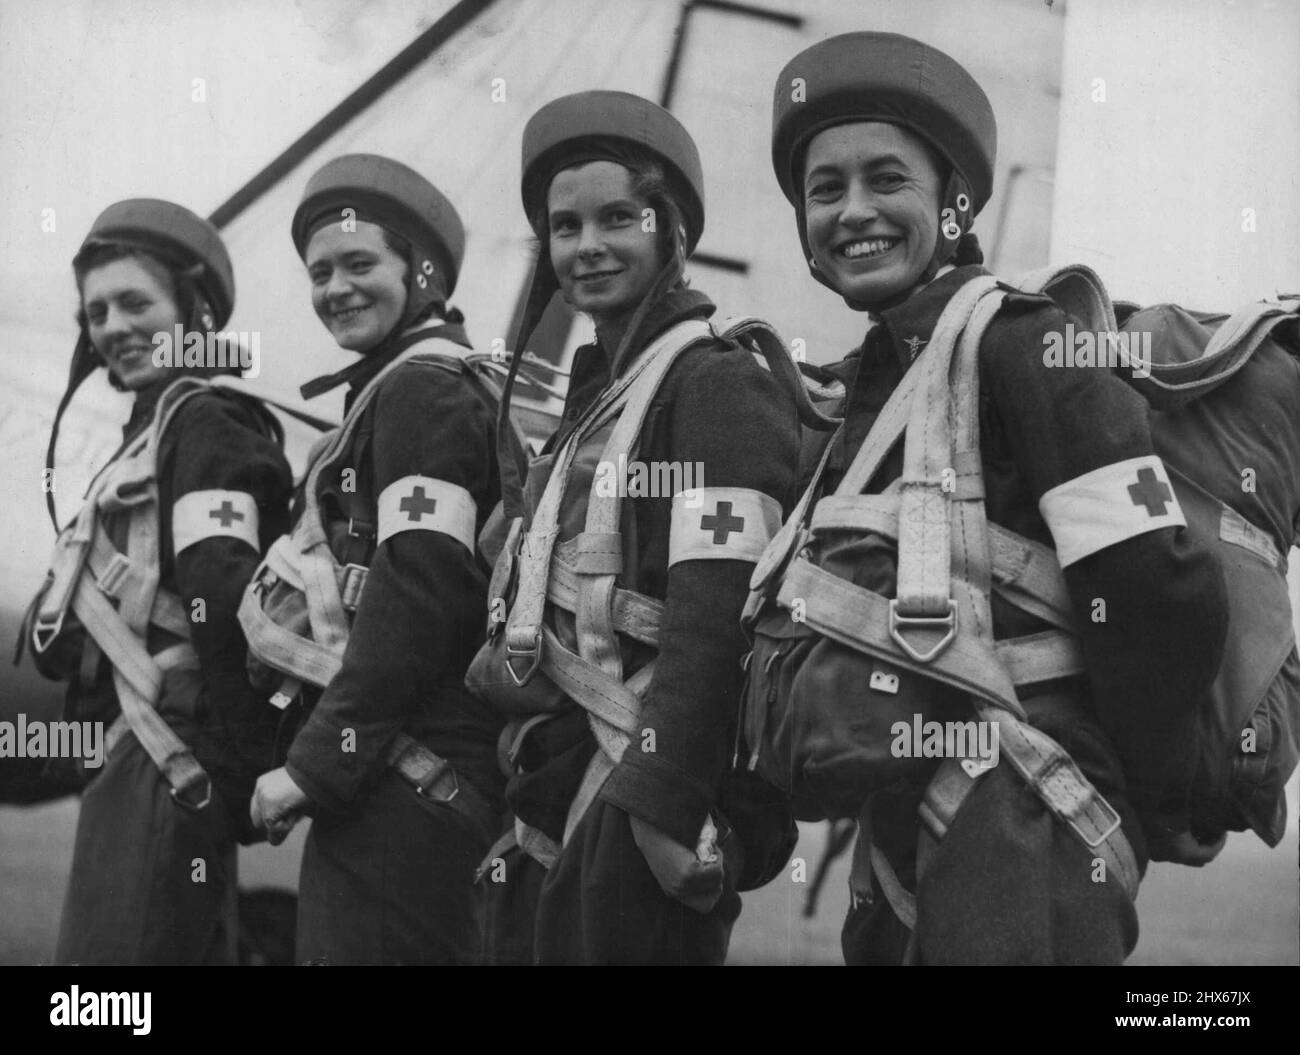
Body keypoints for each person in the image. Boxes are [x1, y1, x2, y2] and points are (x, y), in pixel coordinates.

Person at [763, 32, 1227, 964]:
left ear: (954, 202)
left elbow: (1158, 591)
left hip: (1029, 828)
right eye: (825, 189)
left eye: (886, 179)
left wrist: (1145, 799)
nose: (854, 211)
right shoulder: (876, 380)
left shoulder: (1029, 343)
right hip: (902, 840)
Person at [467, 90, 801, 965]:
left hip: (633, 795)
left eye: (620, 217)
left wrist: (657, 804)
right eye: (566, 227)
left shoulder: (717, 385)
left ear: (672, 232)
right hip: (557, 787)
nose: (588, 246)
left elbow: (713, 616)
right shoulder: (598, 400)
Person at [244, 154, 505, 965]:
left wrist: (315, 768)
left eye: (360, 264)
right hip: (399, 779)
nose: (335, 289)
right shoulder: (410, 385)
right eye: (320, 272)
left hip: (405, 785)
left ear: (420, 274)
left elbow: (420, 590)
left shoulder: (424, 392)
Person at [24, 198, 293, 964]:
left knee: (108, 990)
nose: (112, 326)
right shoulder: (153, 429)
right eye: (97, 311)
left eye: (136, 302)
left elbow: (222, 598)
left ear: (197, 311)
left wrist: (238, 772)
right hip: (139, 756)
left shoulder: (204, 426)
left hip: (164, 757)